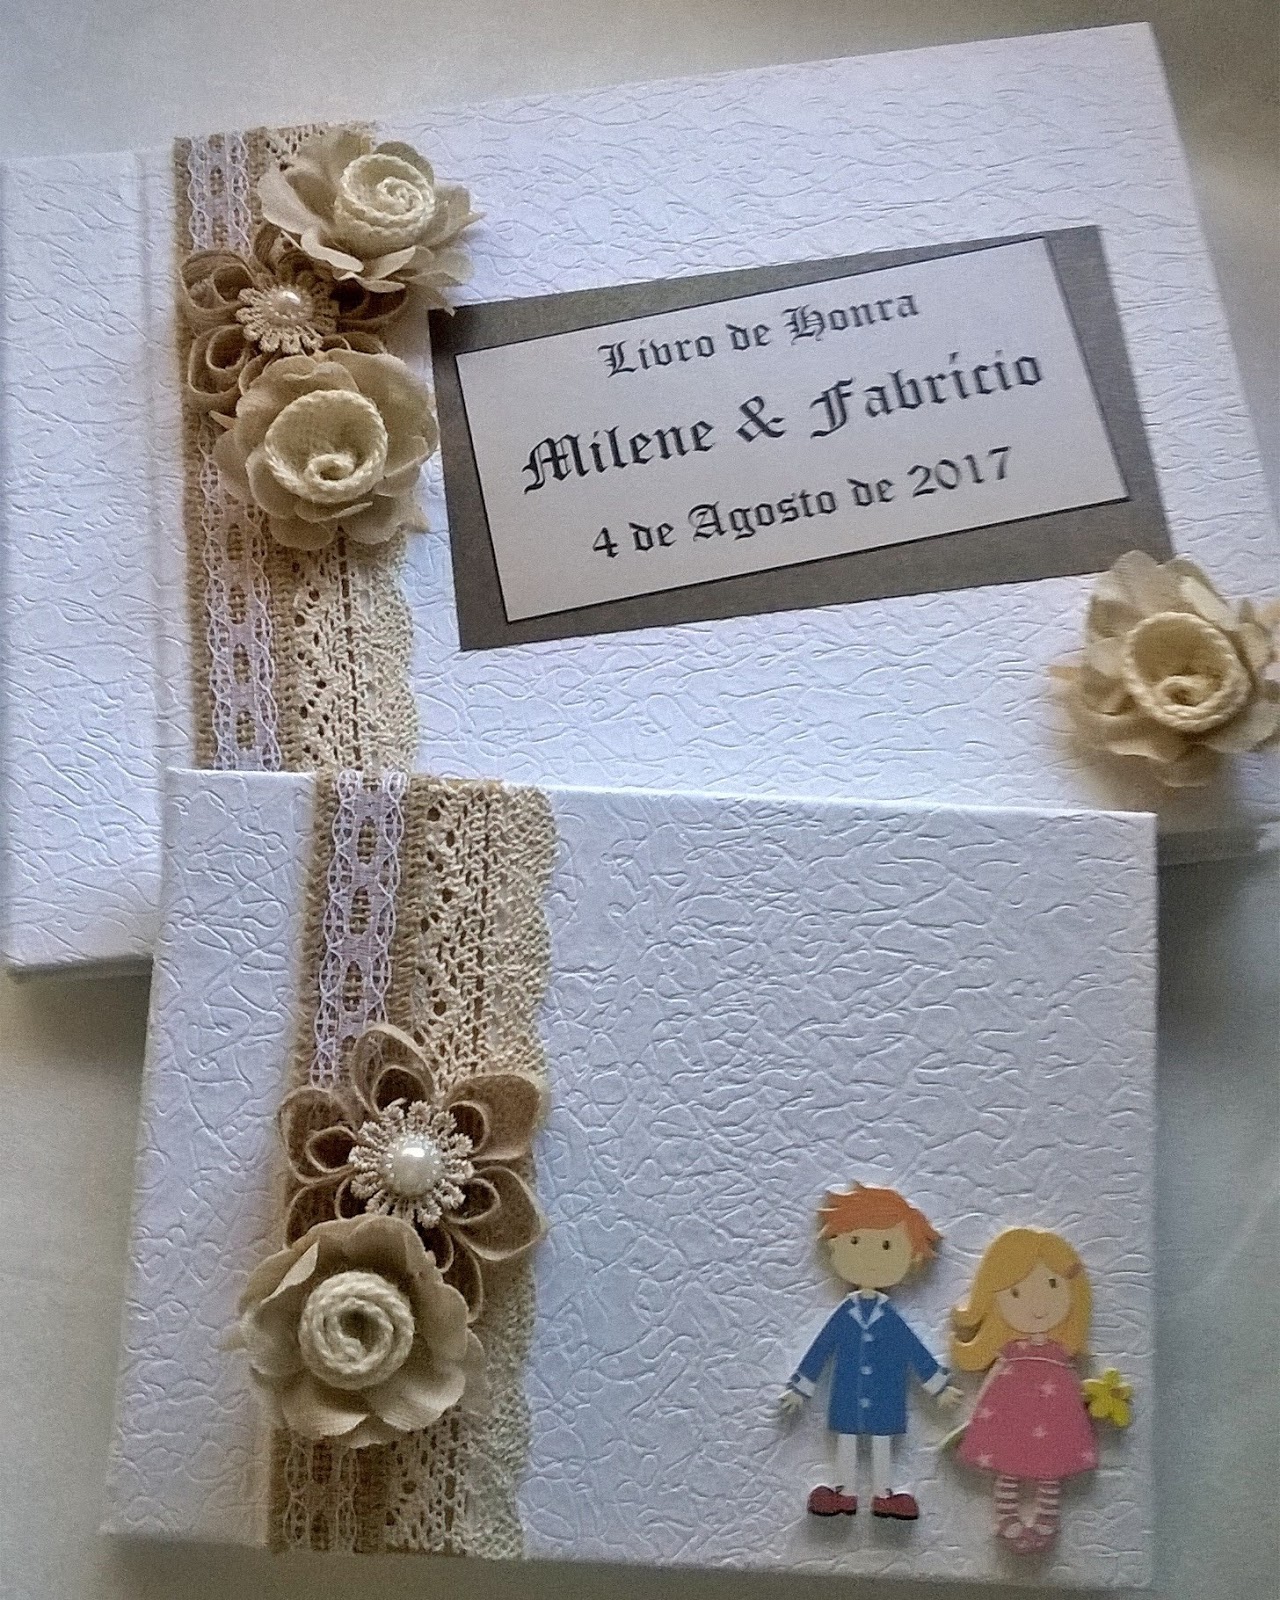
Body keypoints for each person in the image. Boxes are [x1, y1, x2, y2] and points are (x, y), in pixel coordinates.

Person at [779, 1183, 960, 1520]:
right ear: (836, 1244)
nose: (871, 1257)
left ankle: (883, 1494)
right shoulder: (845, 1315)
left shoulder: (890, 1319)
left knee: (881, 1444)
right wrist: (800, 1388)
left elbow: (914, 1351)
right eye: (856, 1242)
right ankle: (845, 1493)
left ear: (911, 1255)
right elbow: (820, 1349)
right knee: (847, 1442)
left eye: (887, 1245)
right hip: (847, 1396)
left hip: (885, 1398)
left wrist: (938, 1386)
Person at [950, 1227, 1122, 1554]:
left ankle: (1047, 1519)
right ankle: (1007, 1518)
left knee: (1050, 1467)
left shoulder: (1061, 1355)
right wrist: (977, 1416)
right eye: (1016, 1292)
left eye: (1053, 1285)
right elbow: (991, 1384)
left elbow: (1076, 1387)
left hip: (1053, 1414)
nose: (1038, 1304)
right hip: (1012, 1413)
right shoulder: (1010, 1353)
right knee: (1009, 1464)